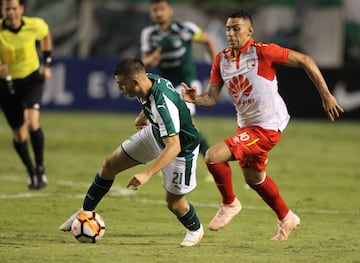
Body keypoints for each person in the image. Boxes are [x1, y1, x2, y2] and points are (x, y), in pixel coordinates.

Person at [182, 9, 343, 240]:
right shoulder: (222, 59)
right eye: (228, 28)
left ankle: (230, 203)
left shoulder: (264, 52)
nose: (230, 33)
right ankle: (287, 217)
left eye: (236, 28)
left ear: (250, 31)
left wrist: (326, 95)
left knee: (212, 155)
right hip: (246, 127)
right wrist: (196, 99)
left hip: (267, 127)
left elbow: (306, 60)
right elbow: (212, 98)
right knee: (254, 178)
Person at [59, 58, 204, 247]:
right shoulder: (147, 81)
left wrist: (146, 174)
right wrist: (143, 116)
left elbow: (174, 146)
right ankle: (83, 213)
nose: (120, 88)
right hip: (156, 134)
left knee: (174, 203)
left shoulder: (163, 105)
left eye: (121, 84)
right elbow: (148, 101)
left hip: (181, 150)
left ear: (134, 82)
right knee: (109, 165)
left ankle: (195, 229)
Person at [140, 0, 217, 158]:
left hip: (186, 83)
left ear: (170, 11)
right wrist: (150, 61)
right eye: (155, 10)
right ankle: (201, 159)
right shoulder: (149, 34)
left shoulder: (184, 29)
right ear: (151, 13)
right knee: (170, 125)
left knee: (186, 124)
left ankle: (208, 161)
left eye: (162, 9)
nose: (159, 13)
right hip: (164, 85)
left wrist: (217, 65)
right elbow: (144, 62)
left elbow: (207, 39)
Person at [0, 0, 52, 190]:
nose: (11, 12)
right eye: (7, 9)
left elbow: (46, 35)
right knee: (19, 134)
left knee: (32, 122)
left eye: (14, 8)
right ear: (3, 11)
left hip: (31, 80)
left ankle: (40, 167)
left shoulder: (34, 25)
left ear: (21, 9)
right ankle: (31, 171)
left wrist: (46, 64)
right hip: (6, 85)